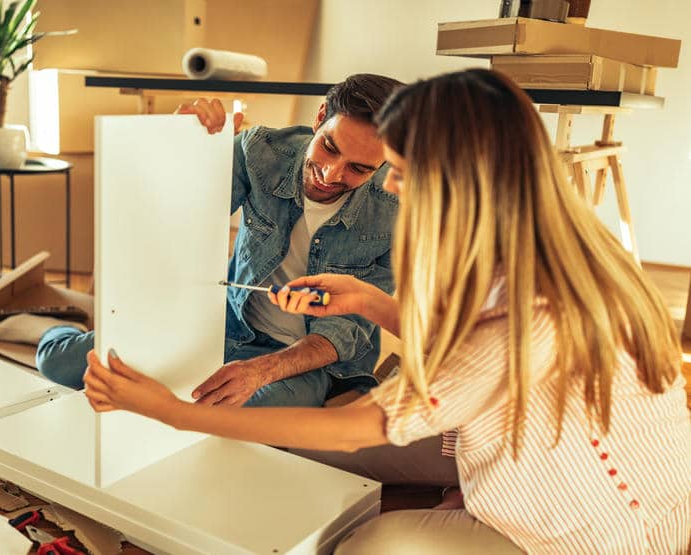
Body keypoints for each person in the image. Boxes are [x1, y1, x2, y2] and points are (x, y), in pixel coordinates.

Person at [83, 69, 690, 554]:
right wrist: (374, 303)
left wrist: (174, 415)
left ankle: (466, 505)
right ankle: (456, 490)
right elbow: (473, 351)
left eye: (397, 171)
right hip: (513, 440)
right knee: (292, 455)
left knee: (363, 546)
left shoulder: (524, 316)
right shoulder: (546, 241)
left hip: (598, 527)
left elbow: (363, 424)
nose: (390, 187)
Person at [0, 73, 406, 408]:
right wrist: (183, 141)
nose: (331, 175)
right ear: (319, 118)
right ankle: (52, 330)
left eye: (358, 168)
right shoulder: (262, 151)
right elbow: (176, 221)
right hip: (224, 326)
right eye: (329, 148)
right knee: (59, 363)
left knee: (222, 412)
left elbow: (345, 330)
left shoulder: (396, 214)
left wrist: (261, 371)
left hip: (304, 364)